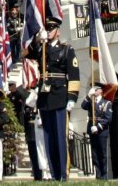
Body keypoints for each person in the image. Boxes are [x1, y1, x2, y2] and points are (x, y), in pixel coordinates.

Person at [25, 16, 80, 181]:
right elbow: (26, 52)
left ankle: (64, 173)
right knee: (48, 139)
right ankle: (54, 174)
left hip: (60, 95)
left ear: (58, 32)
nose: (48, 32)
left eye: (51, 29)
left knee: (59, 138)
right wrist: (36, 39)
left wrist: (72, 97)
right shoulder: (42, 49)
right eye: (47, 29)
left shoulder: (66, 49)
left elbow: (74, 75)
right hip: (45, 98)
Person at [81, 84, 112, 180]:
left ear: (100, 91)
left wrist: (98, 127)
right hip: (91, 129)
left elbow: (108, 118)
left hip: (101, 131)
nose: (93, 90)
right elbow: (83, 106)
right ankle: (98, 175)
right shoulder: (91, 102)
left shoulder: (107, 103)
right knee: (94, 154)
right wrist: (88, 96)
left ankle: (104, 175)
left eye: (95, 89)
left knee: (102, 154)